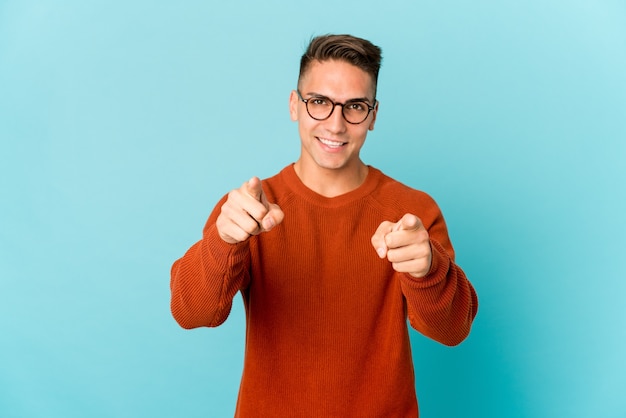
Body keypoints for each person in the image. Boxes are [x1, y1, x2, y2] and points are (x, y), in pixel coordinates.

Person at [170, 34, 478, 417]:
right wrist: (223, 240)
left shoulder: (412, 212)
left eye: (355, 107)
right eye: (319, 103)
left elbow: (451, 330)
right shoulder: (249, 209)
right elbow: (192, 312)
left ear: (374, 116)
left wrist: (428, 269)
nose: (335, 125)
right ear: (294, 106)